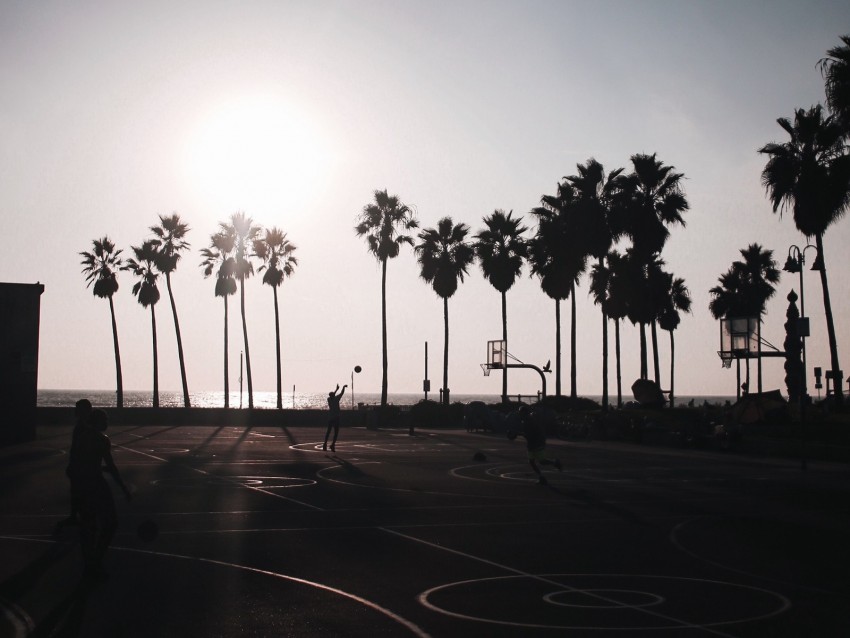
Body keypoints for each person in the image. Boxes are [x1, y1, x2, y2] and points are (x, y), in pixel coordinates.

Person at [76, 408, 131, 582]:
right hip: (96, 485)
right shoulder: (101, 439)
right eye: (105, 420)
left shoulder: (82, 438)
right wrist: (122, 487)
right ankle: (96, 561)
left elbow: (81, 463)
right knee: (110, 523)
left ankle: (89, 564)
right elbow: (111, 465)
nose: (107, 423)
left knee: (88, 525)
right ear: (98, 421)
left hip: (83, 484)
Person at [60, 398, 94, 529]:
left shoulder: (83, 428)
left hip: (81, 465)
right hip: (80, 465)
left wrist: (73, 464)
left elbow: (77, 449)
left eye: (77, 408)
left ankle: (78, 516)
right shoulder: (82, 426)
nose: (75, 411)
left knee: (79, 492)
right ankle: (76, 515)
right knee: (77, 492)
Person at [508, 405, 562, 485]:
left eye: (521, 413)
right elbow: (528, 434)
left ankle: (554, 463)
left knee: (541, 461)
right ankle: (542, 477)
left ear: (524, 413)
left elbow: (529, 434)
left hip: (537, 443)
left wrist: (516, 434)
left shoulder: (529, 421)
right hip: (532, 443)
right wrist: (517, 434)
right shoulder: (526, 421)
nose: (520, 415)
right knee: (532, 461)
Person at [323, 384, 347, 452]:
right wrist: (343, 387)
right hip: (336, 418)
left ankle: (325, 444)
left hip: (330, 418)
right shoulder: (336, 399)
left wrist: (336, 389)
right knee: (336, 433)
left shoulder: (329, 400)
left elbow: (332, 395)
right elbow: (342, 393)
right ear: (333, 395)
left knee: (328, 431)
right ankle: (332, 445)